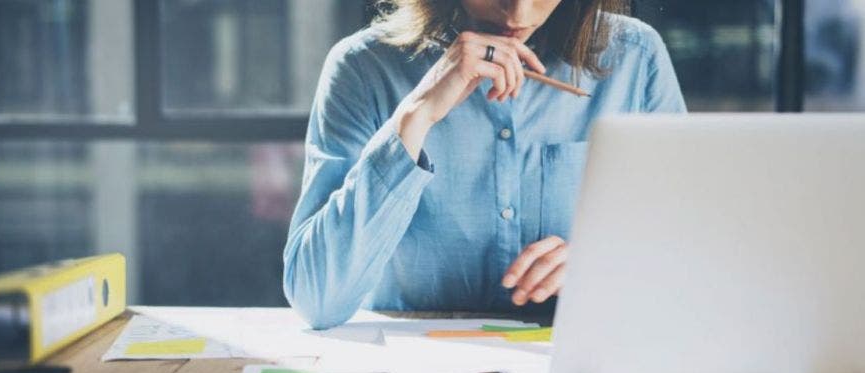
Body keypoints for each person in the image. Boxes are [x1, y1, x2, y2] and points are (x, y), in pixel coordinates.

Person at [283, 0, 686, 328]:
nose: (518, 12)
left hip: (576, 367)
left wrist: (610, 262)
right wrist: (415, 117)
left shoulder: (636, 58)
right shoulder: (362, 67)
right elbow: (316, 299)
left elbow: (688, 258)